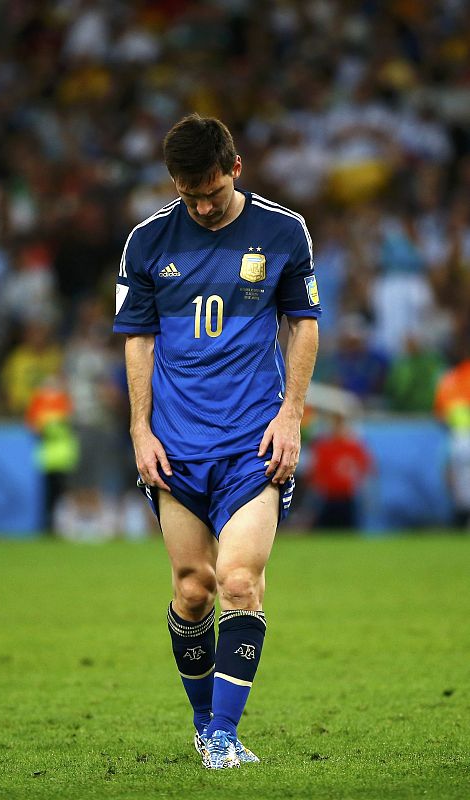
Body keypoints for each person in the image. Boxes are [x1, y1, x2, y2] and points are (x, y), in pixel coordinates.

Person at [113, 114, 321, 769]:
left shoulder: (283, 231)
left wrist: (291, 416)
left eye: (211, 190)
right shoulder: (146, 243)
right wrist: (139, 430)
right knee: (193, 587)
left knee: (238, 580)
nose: (201, 206)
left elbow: (303, 323)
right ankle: (205, 725)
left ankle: (226, 735)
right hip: (175, 447)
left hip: (252, 445)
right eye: (188, 193)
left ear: (235, 169)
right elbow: (139, 340)